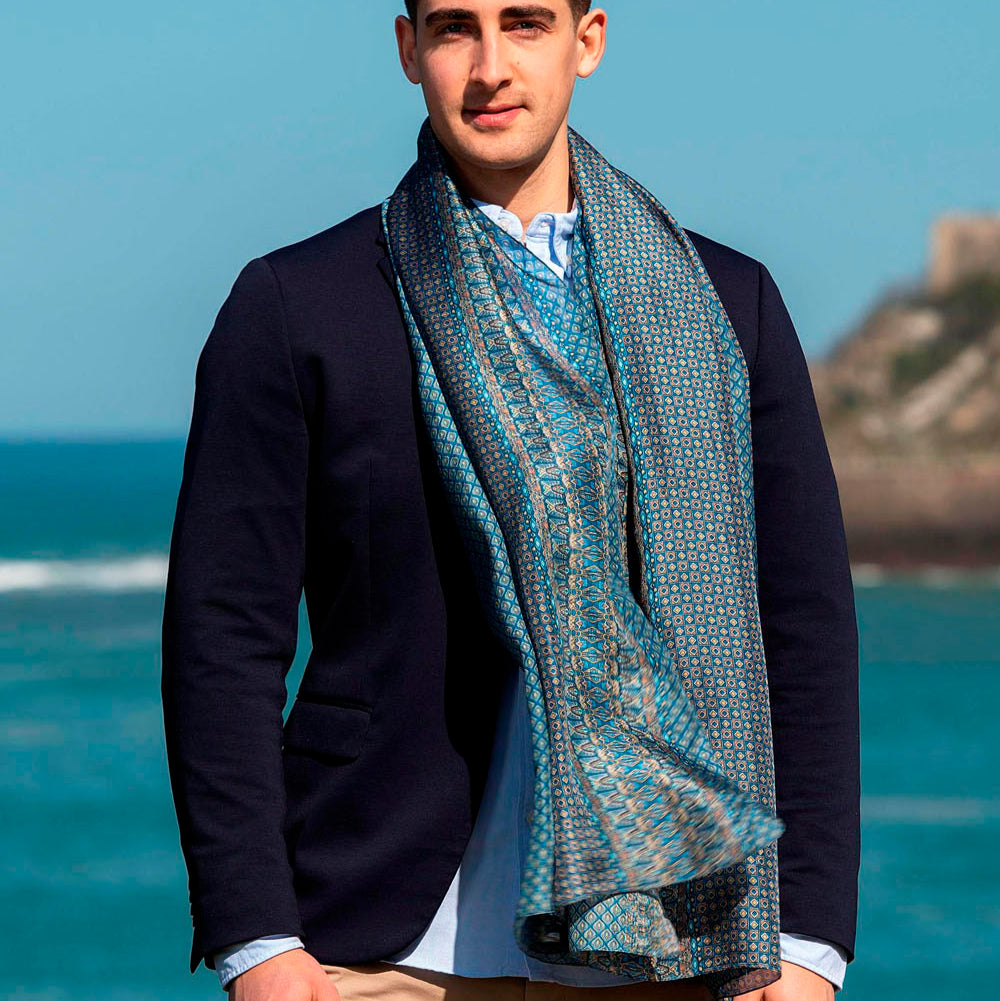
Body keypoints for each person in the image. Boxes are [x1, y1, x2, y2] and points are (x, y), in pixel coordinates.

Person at [160, 3, 861, 1000]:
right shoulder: (299, 305)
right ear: (410, 50)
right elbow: (222, 637)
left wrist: (809, 945)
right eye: (456, 29)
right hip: (379, 944)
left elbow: (804, 629)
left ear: (588, 40)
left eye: (524, 24)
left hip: (678, 939)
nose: (490, 66)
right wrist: (257, 942)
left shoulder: (726, 303)